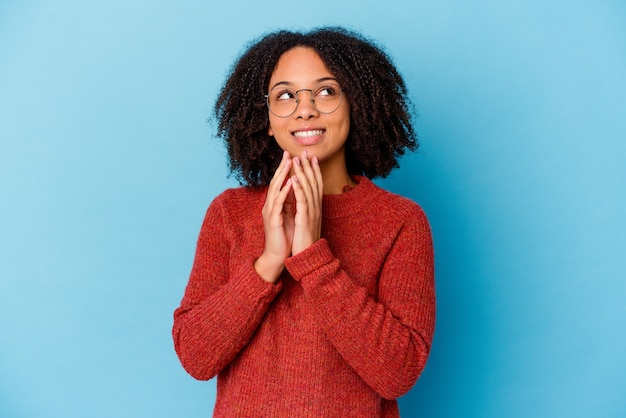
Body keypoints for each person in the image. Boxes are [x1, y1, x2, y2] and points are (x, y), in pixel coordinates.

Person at [172, 26, 435, 417]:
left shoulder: (400, 221)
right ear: (266, 118)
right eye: (285, 95)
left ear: (355, 104)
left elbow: (397, 374)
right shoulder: (229, 213)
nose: (305, 109)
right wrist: (268, 263)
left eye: (327, 91)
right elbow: (195, 357)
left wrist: (314, 259)